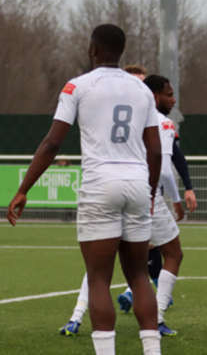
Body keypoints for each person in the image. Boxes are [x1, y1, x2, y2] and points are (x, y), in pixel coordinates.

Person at [7, 24, 163, 354]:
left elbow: (52, 143)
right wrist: (148, 194)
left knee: (98, 279)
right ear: (121, 52)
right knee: (138, 274)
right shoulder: (142, 91)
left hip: (99, 184)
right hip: (136, 181)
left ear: (92, 49)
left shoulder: (77, 86)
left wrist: (24, 189)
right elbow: (156, 151)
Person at [60, 67, 198, 336]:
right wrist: (177, 198)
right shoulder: (159, 120)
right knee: (169, 255)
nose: (173, 100)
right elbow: (165, 165)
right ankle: (155, 320)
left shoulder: (103, 107)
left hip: (103, 188)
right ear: (154, 95)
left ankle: (76, 317)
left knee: (100, 261)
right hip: (144, 194)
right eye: (169, 95)